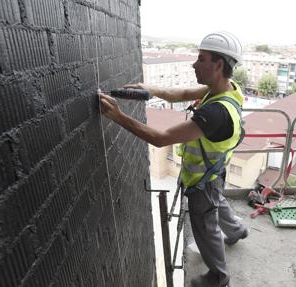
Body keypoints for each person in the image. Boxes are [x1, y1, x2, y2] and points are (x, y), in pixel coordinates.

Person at [99, 31, 248, 287]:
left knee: (205, 226)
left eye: (201, 59)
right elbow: (181, 94)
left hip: (202, 179)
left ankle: (219, 277)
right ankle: (237, 230)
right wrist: (150, 89)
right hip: (214, 172)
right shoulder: (226, 90)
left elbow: (160, 137)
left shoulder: (215, 113)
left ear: (219, 65)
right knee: (217, 202)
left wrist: (117, 116)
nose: (194, 64)